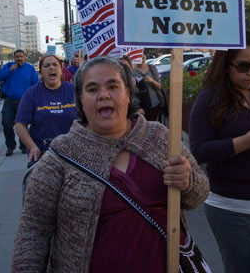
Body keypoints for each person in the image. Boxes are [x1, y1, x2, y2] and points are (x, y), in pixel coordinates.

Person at [12, 56, 209, 272]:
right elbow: (33, 231)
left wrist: (188, 182)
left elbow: (198, 194)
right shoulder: (60, 157)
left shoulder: (160, 138)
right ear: (80, 99)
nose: (104, 95)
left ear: (128, 93)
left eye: (113, 86)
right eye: (92, 89)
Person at [189, 30, 250, 273]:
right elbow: (199, 151)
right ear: (226, 66)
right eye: (244, 66)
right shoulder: (209, 99)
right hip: (230, 208)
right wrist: (243, 142)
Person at [15, 55, 77, 163]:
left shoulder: (74, 90)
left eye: (55, 65)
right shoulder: (31, 94)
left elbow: (88, 119)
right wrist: (32, 147)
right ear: (41, 73)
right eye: (46, 66)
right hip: (44, 154)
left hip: (73, 153)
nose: (51, 68)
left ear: (61, 70)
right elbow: (20, 125)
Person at [0, 49, 39, 156]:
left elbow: (36, 84)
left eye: (21, 56)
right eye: (17, 57)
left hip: (24, 101)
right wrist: (10, 70)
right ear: (14, 58)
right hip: (8, 100)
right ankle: (10, 146)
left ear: (24, 57)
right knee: (6, 123)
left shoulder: (29, 68)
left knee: (23, 124)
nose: (19, 58)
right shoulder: (8, 66)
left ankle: (24, 146)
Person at [133, 52, 164, 120]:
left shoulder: (152, 68)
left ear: (145, 57)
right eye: (139, 58)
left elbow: (159, 86)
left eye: (143, 58)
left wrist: (151, 81)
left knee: (152, 125)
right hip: (139, 106)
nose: (141, 60)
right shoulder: (132, 70)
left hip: (154, 103)